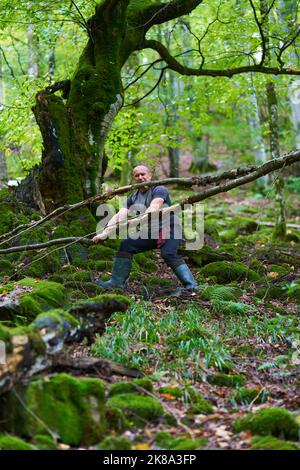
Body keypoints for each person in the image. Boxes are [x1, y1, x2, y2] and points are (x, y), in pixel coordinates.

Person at [92, 164, 197, 290]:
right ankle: (116, 283)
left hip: (170, 228)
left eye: (143, 174)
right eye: (137, 175)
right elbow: (119, 215)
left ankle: (191, 286)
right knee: (126, 245)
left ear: (150, 176)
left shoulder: (159, 189)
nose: (140, 177)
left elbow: (153, 208)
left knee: (168, 254)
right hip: (151, 231)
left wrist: (134, 222)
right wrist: (104, 233)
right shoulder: (133, 196)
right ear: (133, 178)